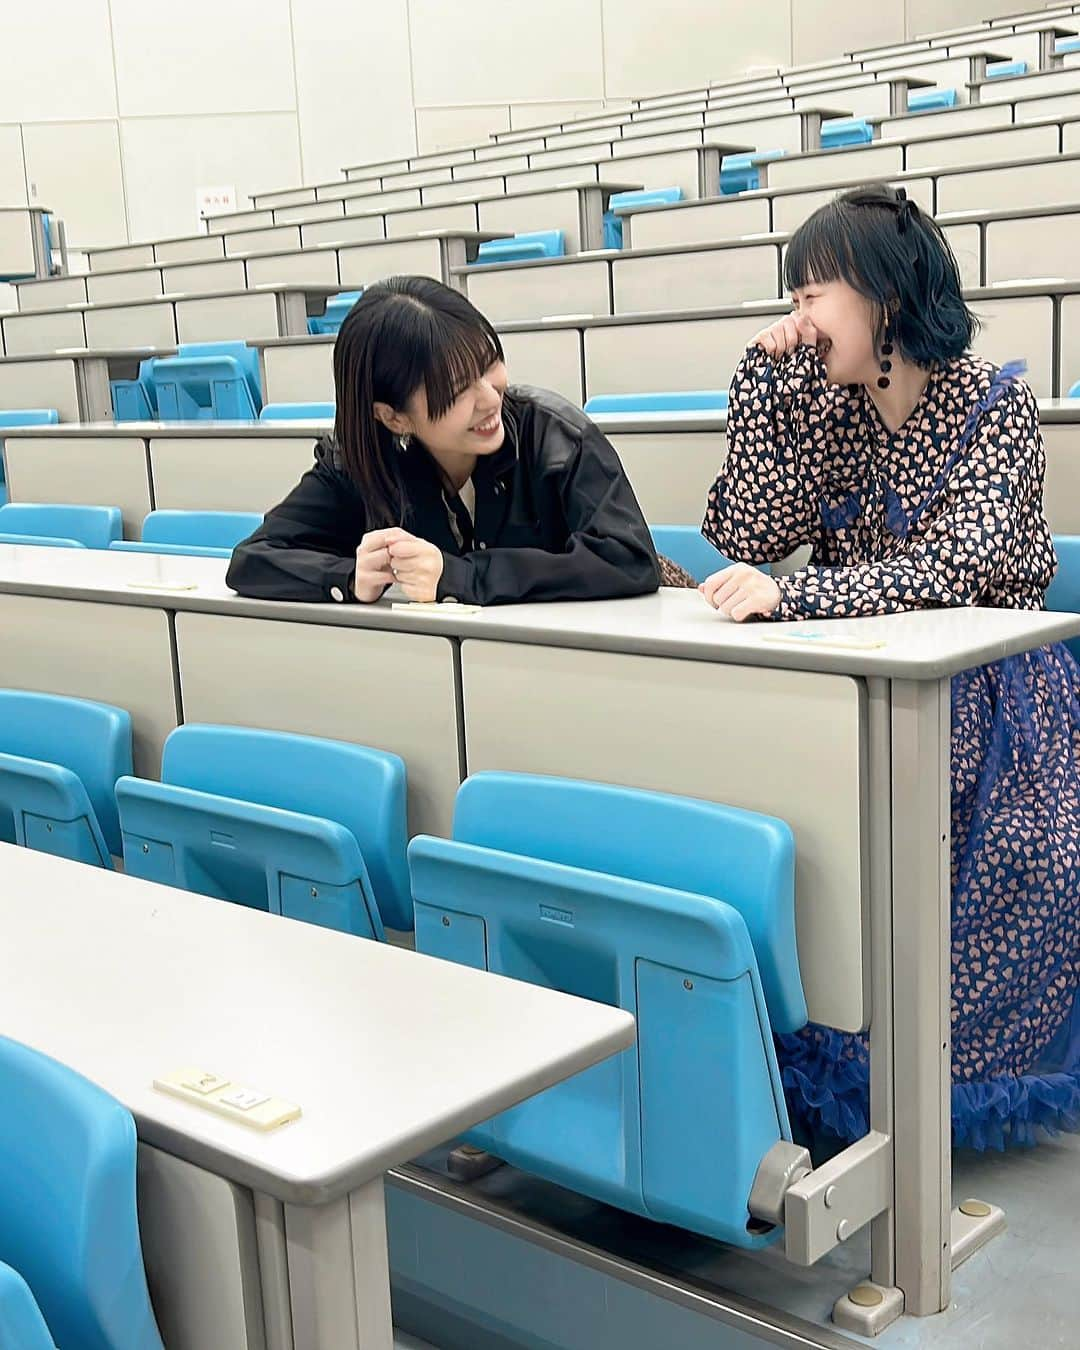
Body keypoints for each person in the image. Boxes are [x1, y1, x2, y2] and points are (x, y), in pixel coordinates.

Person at [702, 184, 1080, 1150]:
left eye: (814, 294)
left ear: (885, 295)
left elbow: (954, 570)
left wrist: (800, 597)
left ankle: (914, 1093)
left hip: (989, 708)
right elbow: (744, 530)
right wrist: (762, 388)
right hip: (855, 684)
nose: (798, 319)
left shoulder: (995, 402)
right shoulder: (826, 408)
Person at [228, 275, 663, 606]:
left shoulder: (554, 436)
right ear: (393, 417)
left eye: (490, 364)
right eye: (458, 391)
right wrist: (348, 577)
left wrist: (459, 577)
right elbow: (252, 560)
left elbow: (629, 559)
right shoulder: (358, 462)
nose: (491, 398)